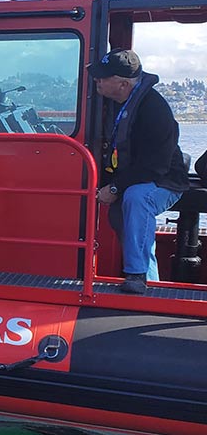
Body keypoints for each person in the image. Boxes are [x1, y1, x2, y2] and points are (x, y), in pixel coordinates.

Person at [91, 48, 188, 294]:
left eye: (103, 77)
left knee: (137, 198)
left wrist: (114, 188)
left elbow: (154, 166)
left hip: (165, 181)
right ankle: (152, 285)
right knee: (127, 210)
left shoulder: (155, 109)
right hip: (135, 177)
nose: (97, 80)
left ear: (123, 84)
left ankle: (138, 275)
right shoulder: (114, 103)